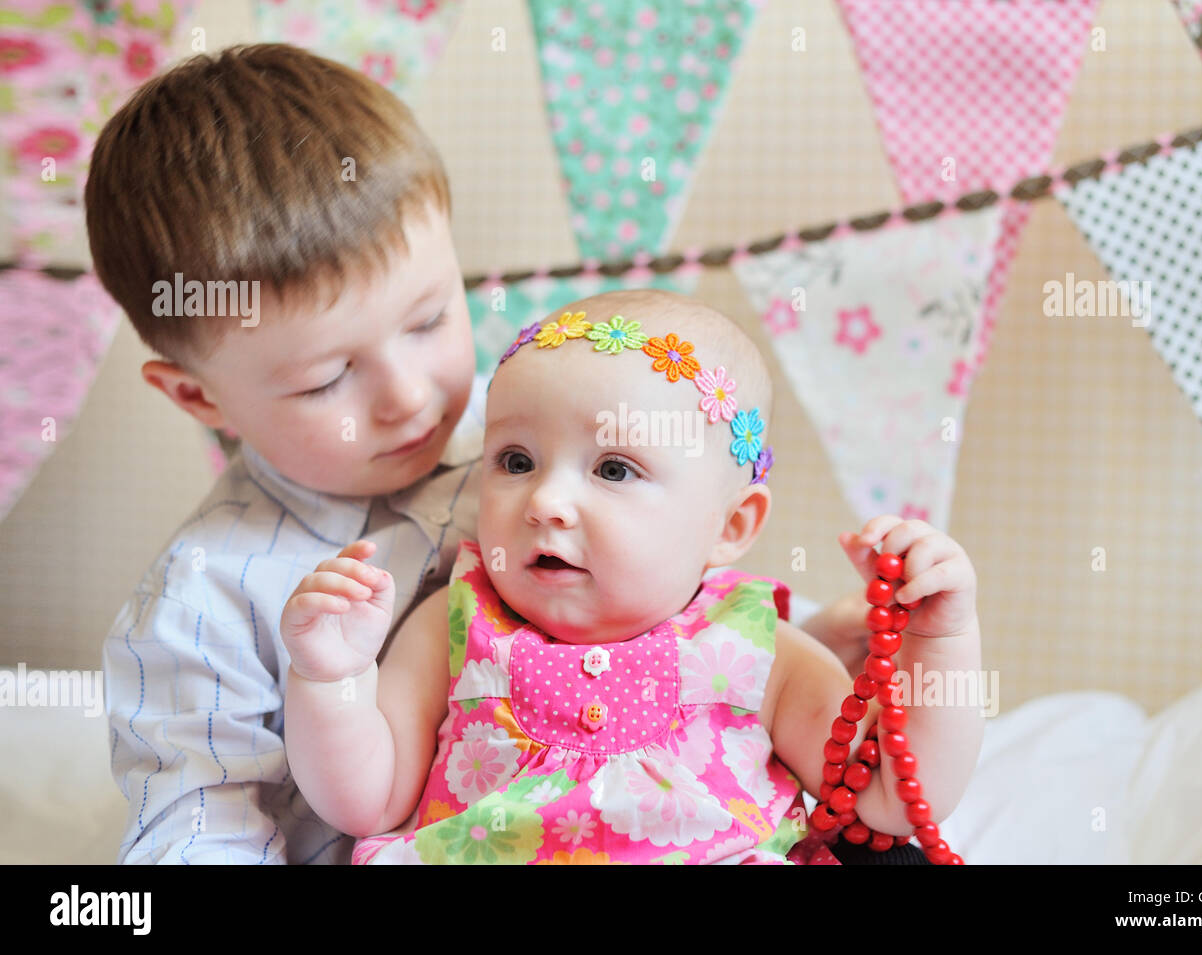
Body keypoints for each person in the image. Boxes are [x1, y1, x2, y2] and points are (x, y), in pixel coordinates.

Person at [90, 44, 898, 865]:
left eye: (430, 319)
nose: (408, 395)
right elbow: (196, 825)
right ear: (199, 397)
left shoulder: (525, 437)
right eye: (327, 378)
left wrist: (804, 647)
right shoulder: (204, 599)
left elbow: (663, 588)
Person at [280, 289, 985, 864]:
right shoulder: (458, 622)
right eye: (516, 460)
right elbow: (366, 800)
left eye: (614, 469)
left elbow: (892, 793)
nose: (545, 502)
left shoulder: (758, 648)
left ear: (729, 526)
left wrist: (941, 638)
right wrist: (330, 676)